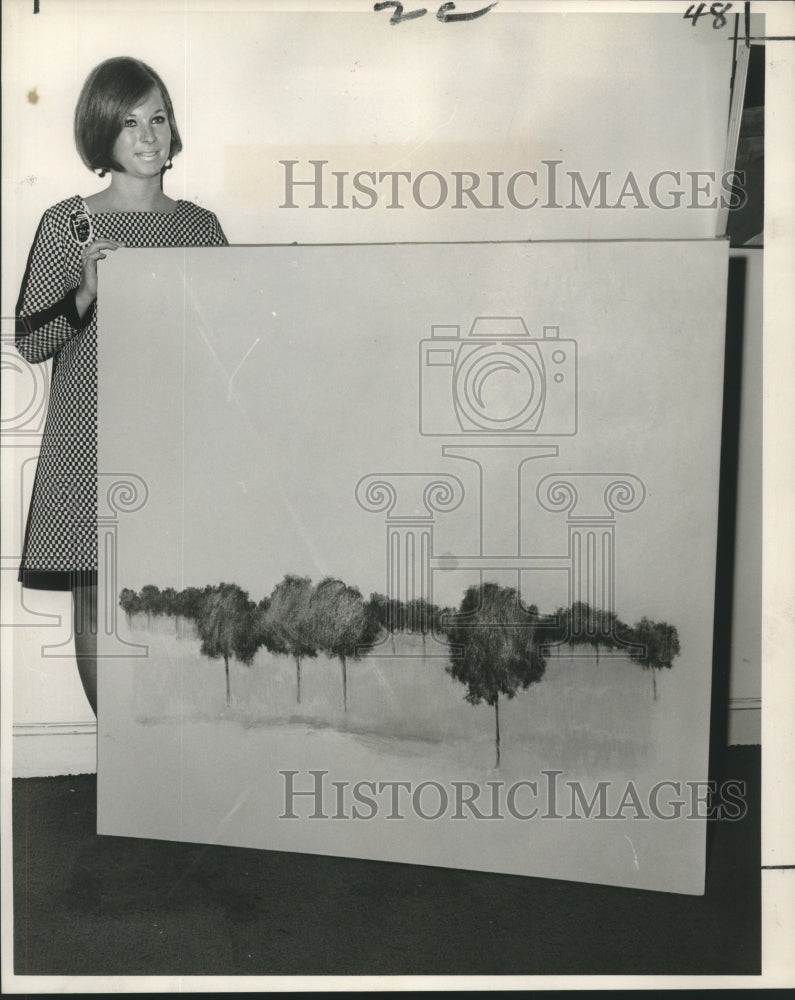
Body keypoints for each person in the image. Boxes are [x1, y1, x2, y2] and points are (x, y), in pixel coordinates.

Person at [15, 56, 227, 715]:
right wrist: (86, 293)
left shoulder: (199, 228)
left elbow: (226, 351)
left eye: (158, 117)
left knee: (175, 609)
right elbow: (31, 341)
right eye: (129, 120)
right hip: (88, 446)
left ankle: (167, 762)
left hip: (174, 447)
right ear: (100, 132)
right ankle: (122, 763)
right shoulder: (68, 225)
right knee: (98, 604)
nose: (147, 135)